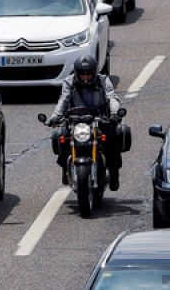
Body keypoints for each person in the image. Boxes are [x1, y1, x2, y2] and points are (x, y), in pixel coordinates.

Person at [47, 55, 126, 190]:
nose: (85, 77)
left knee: (113, 136)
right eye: (82, 74)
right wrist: (54, 117)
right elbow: (64, 100)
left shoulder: (103, 80)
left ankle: (114, 173)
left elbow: (111, 97)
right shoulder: (69, 81)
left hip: (100, 119)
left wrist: (113, 114)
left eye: (88, 74)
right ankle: (65, 168)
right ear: (76, 73)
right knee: (62, 136)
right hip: (76, 120)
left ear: (95, 72)